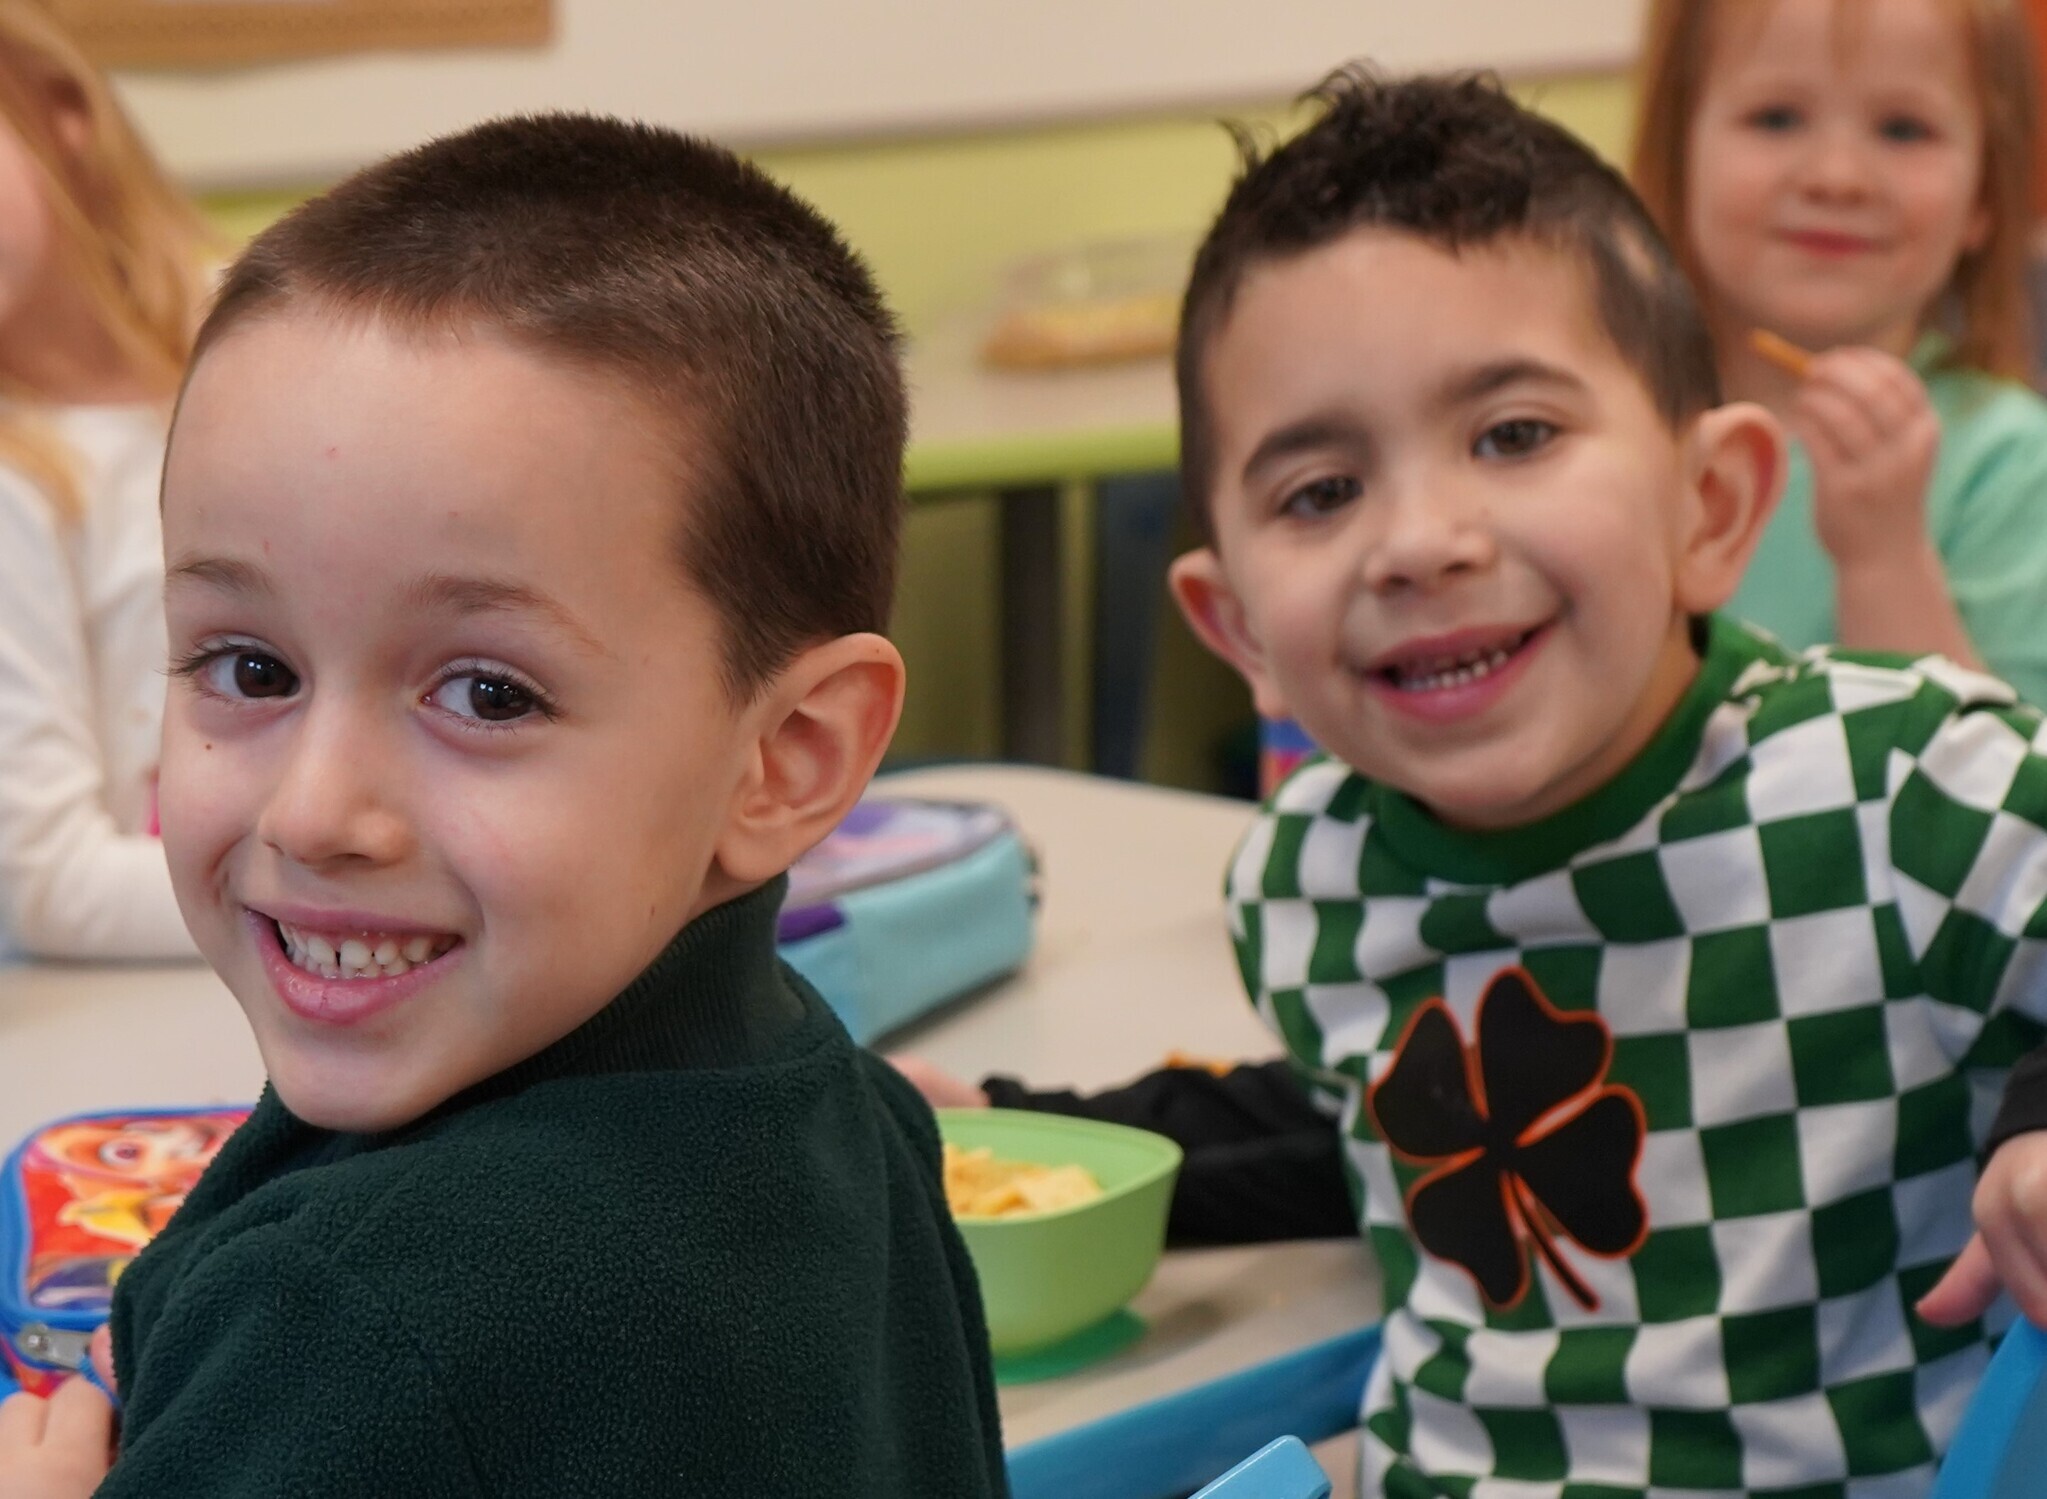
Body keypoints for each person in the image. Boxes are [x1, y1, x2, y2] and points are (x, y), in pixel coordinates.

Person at [911, 69, 2047, 1494]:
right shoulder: (1312, 876)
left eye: (1512, 434)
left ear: (1709, 508)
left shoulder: (1901, 789)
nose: (1418, 540)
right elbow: (1371, 1120)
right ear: (1240, 630)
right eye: (1320, 491)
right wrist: (1020, 1121)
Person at [0, 114, 1007, 1497]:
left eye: (486, 693)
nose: (313, 812)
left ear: (786, 754)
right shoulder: (857, 1113)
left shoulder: (344, 1319)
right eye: (250, 667)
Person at [1633, 0, 2047, 705]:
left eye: (1903, 129)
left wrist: (1885, 557)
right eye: (1775, 118)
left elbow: (2004, 768)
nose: (1837, 177)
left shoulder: (2007, 463)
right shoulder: (1611, 429)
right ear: (1679, 154)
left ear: (1983, 193)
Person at [0, 1, 215, 961]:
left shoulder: (275, 329)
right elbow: (47, 882)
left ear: (59, 109)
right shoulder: (17, 481)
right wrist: (337, 901)